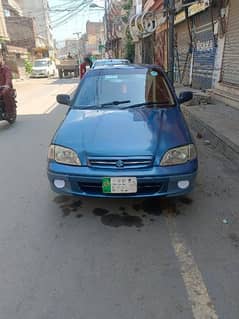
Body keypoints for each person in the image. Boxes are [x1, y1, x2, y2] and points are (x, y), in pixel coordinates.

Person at [0, 56, 16, 121]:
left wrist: (7, 85)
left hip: (5, 88)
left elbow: (8, 78)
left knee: (5, 93)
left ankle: (9, 112)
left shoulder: (5, 68)